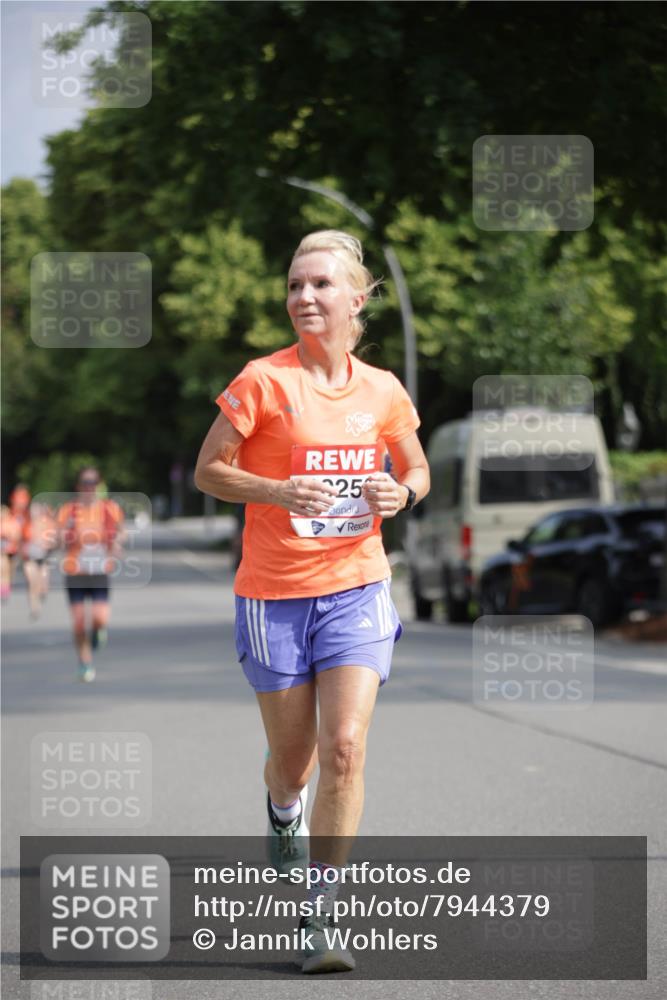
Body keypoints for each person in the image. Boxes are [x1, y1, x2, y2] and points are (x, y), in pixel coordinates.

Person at [195, 230, 430, 973]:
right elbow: (208, 470)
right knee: (293, 764)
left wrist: (404, 490)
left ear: (356, 300)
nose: (303, 298)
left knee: (346, 748)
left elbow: (415, 464)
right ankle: (280, 808)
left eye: (320, 285)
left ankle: (317, 916)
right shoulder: (263, 381)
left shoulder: (383, 389)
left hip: (357, 583)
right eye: (295, 286)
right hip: (274, 595)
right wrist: (275, 489)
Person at [56, 467, 125, 682]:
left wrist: (116, 544)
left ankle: (97, 632)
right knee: (78, 621)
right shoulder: (68, 510)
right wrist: (63, 538)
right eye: (85, 483)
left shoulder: (109, 508)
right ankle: (85, 663)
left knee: (99, 618)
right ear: (78, 486)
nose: (89, 487)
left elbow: (121, 531)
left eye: (93, 482)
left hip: (99, 570)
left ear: (98, 485)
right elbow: (57, 537)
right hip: (75, 571)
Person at [22, 501, 58, 619]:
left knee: (42, 585)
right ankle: (34, 608)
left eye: (37, 510)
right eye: (33, 510)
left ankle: (43, 593)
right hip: (30, 558)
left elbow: (54, 540)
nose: (34, 513)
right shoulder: (26, 524)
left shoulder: (47, 523)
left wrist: (46, 544)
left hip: (44, 558)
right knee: (32, 583)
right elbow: (19, 540)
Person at [1, 505, 22, 601]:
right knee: (3, 569)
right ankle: (3, 589)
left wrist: (9, 536)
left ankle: (7, 585)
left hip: (12, 550)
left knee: (10, 570)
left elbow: (17, 536)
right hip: (2, 550)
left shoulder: (13, 523)